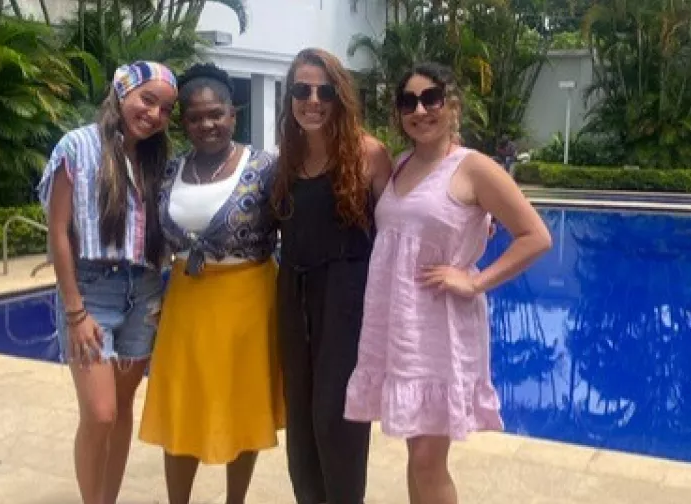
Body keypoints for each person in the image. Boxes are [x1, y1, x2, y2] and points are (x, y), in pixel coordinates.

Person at [343, 61, 553, 504]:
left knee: (427, 460)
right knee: (414, 451)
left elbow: (536, 236)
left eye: (430, 98)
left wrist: (475, 282)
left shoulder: (474, 168)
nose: (420, 110)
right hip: (399, 329)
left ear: (451, 104)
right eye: (408, 102)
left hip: (441, 328)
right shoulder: (399, 165)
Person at [135, 62, 285, 504]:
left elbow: (301, 221)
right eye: (196, 117)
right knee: (182, 408)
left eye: (216, 113)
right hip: (187, 302)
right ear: (184, 122)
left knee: (243, 407)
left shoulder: (265, 167)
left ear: (233, 115)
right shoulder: (170, 171)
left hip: (250, 300)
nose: (208, 124)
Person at [36, 60, 178, 504]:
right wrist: (75, 310)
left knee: (120, 414)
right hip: (93, 289)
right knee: (99, 414)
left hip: (146, 291)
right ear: (122, 94)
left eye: (165, 108)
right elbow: (58, 231)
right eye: (147, 100)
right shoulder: (76, 146)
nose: (155, 114)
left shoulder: (157, 161)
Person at [271, 47, 394, 504]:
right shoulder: (288, 155)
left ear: (341, 97)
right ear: (291, 97)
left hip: (347, 299)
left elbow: (402, 222)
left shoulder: (369, 153)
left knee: (335, 417)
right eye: (302, 90)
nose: (313, 100)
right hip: (294, 295)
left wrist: (473, 216)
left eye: (325, 91)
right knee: (301, 420)